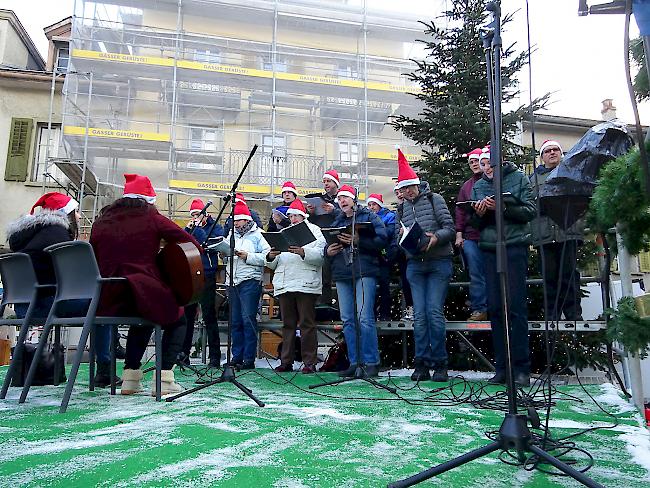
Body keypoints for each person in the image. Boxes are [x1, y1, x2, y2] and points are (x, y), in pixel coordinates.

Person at [90, 174, 202, 396]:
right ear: (148, 199)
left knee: (145, 319)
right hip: (137, 289)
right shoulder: (150, 216)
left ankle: (130, 379)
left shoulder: (101, 220)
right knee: (178, 317)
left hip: (104, 297)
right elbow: (191, 243)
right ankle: (164, 379)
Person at [6, 192, 116, 387]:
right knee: (103, 303)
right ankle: (105, 369)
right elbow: (73, 277)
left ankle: (105, 366)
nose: (80, 216)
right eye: (76, 211)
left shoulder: (24, 237)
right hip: (47, 304)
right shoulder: (56, 234)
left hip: (25, 306)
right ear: (65, 214)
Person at [471, 148, 536, 387]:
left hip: (514, 246)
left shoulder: (518, 178)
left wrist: (504, 207)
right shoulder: (479, 186)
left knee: (516, 307)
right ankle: (501, 367)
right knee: (496, 309)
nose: (487, 168)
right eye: (484, 164)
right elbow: (475, 223)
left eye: (491, 163)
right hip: (489, 248)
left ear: (501, 162)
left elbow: (530, 211)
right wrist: (478, 213)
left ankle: (521, 369)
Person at [395, 149, 455, 383]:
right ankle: (421, 363)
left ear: (418, 185)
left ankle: (440, 363)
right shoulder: (401, 209)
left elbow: (449, 228)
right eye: (404, 188)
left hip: (439, 261)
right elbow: (395, 242)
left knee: (433, 312)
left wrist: (435, 238)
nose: (408, 191)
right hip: (415, 265)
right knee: (419, 315)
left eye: (411, 186)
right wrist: (402, 238)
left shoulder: (434, 199)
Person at [325, 185, 388, 378]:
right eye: (340, 199)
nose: (342, 201)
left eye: (346, 198)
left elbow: (383, 239)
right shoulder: (337, 220)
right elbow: (326, 245)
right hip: (342, 272)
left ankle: (371, 362)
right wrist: (327, 252)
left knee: (364, 318)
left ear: (354, 199)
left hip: (364, 270)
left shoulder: (369, 216)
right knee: (348, 320)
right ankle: (354, 362)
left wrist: (359, 241)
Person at [266, 198, 326, 373]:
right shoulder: (283, 232)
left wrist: (303, 252)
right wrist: (271, 256)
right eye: (290, 216)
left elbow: (321, 257)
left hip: (305, 283)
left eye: (296, 216)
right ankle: (286, 361)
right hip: (285, 284)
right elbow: (273, 263)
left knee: (307, 324)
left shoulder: (315, 231)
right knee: (287, 324)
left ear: (303, 216)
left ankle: (309, 362)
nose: (292, 219)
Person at [530, 139, 583, 321]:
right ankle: (551, 314)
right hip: (544, 234)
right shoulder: (532, 180)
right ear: (542, 156)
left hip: (567, 230)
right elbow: (529, 206)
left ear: (561, 153)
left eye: (555, 150)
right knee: (549, 277)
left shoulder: (572, 174)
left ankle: (573, 313)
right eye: (548, 151)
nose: (552, 153)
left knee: (569, 275)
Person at [221, 200, 270, 369]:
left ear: (247, 220)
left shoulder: (259, 235)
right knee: (235, 321)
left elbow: (268, 257)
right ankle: (237, 356)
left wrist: (247, 256)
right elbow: (227, 254)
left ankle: (249, 359)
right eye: (234, 220)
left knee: (247, 319)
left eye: (238, 220)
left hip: (250, 281)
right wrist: (224, 254)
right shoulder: (231, 235)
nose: (235, 223)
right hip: (232, 281)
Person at [182, 198, 224, 368]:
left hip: (207, 275)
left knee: (209, 315)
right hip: (191, 275)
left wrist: (198, 230)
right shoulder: (191, 229)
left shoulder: (216, 228)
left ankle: (215, 356)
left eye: (197, 214)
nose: (195, 218)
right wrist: (187, 230)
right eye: (192, 215)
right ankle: (183, 354)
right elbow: (181, 243)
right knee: (187, 316)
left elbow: (208, 245)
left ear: (206, 214)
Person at [455, 147, 488, 321]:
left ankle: (498, 307)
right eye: (471, 162)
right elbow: (460, 211)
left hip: (490, 234)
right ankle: (479, 308)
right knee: (475, 273)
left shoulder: (493, 181)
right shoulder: (466, 186)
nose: (474, 164)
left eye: (477, 161)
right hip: (470, 236)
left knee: (494, 272)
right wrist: (459, 234)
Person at [305, 169, 342, 307]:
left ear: (336, 183)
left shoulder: (342, 198)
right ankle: (324, 303)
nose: (326, 184)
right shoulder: (321, 199)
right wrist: (311, 212)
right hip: (321, 238)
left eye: (329, 181)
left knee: (337, 273)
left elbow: (347, 215)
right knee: (323, 273)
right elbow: (313, 221)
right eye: (324, 181)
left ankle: (338, 305)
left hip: (338, 238)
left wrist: (334, 210)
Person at [366, 193, 397, 321]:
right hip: (371, 256)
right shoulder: (366, 218)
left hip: (384, 255)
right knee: (371, 287)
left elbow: (389, 232)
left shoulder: (389, 216)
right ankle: (371, 313)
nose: (371, 207)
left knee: (384, 284)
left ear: (379, 205)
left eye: (374, 204)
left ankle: (385, 313)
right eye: (369, 205)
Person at [394, 185, 414, 320]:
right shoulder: (398, 211)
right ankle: (410, 308)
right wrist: (400, 235)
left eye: (400, 192)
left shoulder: (414, 206)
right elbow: (396, 230)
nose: (400, 195)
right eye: (397, 193)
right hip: (403, 251)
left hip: (418, 250)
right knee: (406, 281)